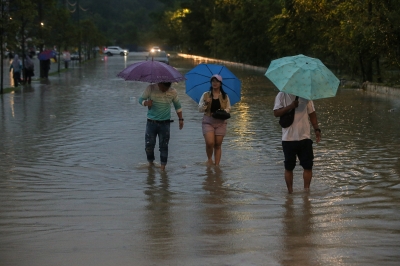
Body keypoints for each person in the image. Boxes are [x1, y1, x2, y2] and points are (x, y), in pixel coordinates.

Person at [273, 92, 321, 194]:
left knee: (308, 166)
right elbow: (276, 113)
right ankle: (290, 194)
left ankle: (306, 192)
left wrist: (317, 129)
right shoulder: (282, 95)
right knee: (289, 167)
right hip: (288, 138)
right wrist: (290, 106)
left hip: (305, 137)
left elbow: (312, 113)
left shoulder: (307, 96)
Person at [138, 82, 184, 171]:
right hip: (151, 122)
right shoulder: (150, 88)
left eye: (167, 88)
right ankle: (151, 164)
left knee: (164, 146)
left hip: (165, 124)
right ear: (159, 84)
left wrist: (181, 119)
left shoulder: (173, 92)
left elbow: (177, 106)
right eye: (163, 88)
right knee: (149, 146)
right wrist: (146, 103)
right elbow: (140, 99)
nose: (164, 90)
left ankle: (163, 169)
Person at [198, 74, 231, 166]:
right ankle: (209, 159)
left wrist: (222, 111)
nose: (215, 83)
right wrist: (205, 103)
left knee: (218, 144)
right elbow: (200, 109)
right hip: (208, 121)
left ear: (220, 83)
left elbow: (229, 108)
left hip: (221, 122)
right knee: (210, 142)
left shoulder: (225, 96)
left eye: (217, 81)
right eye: (213, 81)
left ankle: (217, 166)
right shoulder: (206, 95)